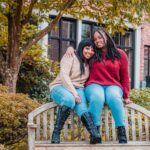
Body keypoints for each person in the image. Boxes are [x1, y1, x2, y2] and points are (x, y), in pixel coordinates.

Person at [65, 27, 131, 144]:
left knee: (114, 97)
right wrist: (70, 48)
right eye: (95, 39)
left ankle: (121, 131)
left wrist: (126, 95)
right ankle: (95, 132)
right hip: (93, 84)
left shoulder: (120, 54)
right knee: (97, 97)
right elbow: (80, 51)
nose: (97, 41)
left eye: (100, 37)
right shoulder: (92, 52)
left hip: (113, 85)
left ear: (106, 36)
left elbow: (125, 77)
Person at [49, 38, 101, 144]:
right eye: (87, 48)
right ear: (81, 47)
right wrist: (74, 93)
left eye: (92, 50)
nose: (90, 52)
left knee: (83, 109)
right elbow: (64, 76)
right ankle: (56, 133)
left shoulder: (88, 63)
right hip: (60, 86)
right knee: (69, 100)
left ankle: (95, 134)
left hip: (78, 89)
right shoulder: (70, 56)